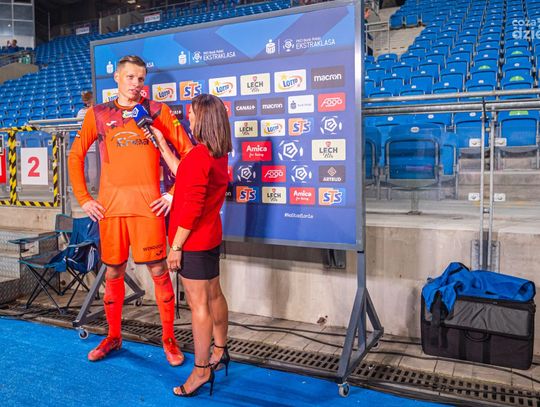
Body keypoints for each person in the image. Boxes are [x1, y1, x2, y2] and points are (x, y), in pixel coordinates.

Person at [68, 55, 193, 366]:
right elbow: (75, 156)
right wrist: (84, 199)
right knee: (113, 272)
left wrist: (172, 194)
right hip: (110, 211)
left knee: (158, 271)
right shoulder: (98, 113)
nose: (136, 84)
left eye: (140, 78)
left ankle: (169, 340)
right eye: (130, 77)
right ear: (117, 78)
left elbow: (189, 155)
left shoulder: (157, 111)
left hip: (148, 210)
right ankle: (113, 336)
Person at [150, 94, 231, 397]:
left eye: (193, 114)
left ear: (204, 120)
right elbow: (182, 173)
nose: (189, 118)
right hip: (210, 236)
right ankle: (220, 350)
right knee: (214, 294)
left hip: (193, 241)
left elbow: (192, 208)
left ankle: (200, 370)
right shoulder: (216, 153)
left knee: (199, 306)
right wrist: (161, 142)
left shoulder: (199, 156)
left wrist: (176, 247)